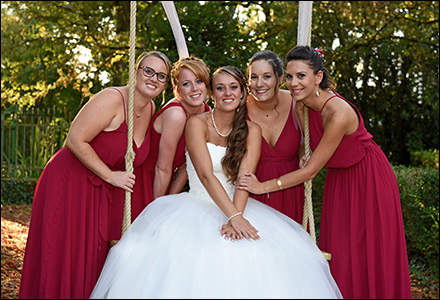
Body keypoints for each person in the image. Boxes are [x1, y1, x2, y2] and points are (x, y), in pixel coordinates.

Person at [89, 66, 342, 299]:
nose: (227, 93)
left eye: (233, 87)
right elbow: (206, 175)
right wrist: (233, 217)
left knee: (265, 257)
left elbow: (245, 178)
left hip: (238, 204)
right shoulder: (195, 124)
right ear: (212, 94)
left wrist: (238, 215)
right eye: (220, 88)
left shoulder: (252, 131)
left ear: (243, 94)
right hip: (197, 205)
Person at [237, 45, 412, 299]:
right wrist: (306, 154)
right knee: (340, 252)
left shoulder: (337, 111)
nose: (294, 83)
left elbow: (310, 172)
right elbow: (308, 149)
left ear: (318, 77)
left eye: (301, 76)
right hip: (339, 178)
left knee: (370, 250)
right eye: (290, 76)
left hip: (368, 177)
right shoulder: (302, 106)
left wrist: (262, 186)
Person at [18, 51, 172, 299]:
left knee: (93, 259)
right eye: (148, 71)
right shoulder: (112, 99)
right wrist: (111, 176)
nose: (153, 78)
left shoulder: (152, 108)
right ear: (136, 70)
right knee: (66, 257)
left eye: (161, 76)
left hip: (101, 192)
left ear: (166, 84)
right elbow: (75, 139)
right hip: (71, 183)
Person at [131, 56, 211, 219]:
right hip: (144, 180)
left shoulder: (206, 112)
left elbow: (188, 166)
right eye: (186, 84)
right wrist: (156, 210)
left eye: (199, 81)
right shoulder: (176, 114)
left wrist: (170, 201)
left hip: (165, 183)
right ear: (177, 89)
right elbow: (162, 168)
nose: (194, 89)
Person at [245, 50, 305, 224]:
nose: (259, 83)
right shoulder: (239, 108)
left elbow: (303, 145)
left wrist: (303, 159)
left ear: (280, 79)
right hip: (252, 193)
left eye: (266, 76)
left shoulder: (298, 104)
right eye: (254, 77)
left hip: (291, 190)